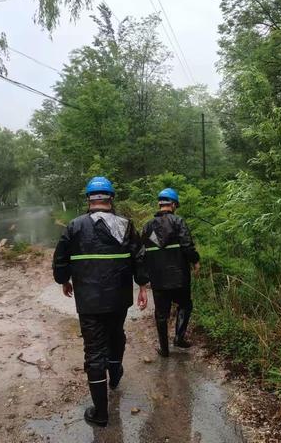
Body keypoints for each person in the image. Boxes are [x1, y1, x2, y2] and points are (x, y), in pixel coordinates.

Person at [52, 176, 148, 427]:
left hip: (89, 301)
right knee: (116, 334)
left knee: (94, 351)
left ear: (89, 199)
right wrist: (143, 287)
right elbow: (140, 258)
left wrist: (64, 280)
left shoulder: (74, 226)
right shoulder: (126, 225)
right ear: (110, 198)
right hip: (119, 299)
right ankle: (115, 374)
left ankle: (101, 413)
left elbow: (60, 259)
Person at [141, 188, 200, 357]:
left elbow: (142, 253)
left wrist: (144, 278)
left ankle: (164, 350)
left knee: (161, 314)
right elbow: (187, 245)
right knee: (185, 305)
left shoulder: (147, 226)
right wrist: (195, 261)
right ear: (173, 204)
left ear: (160, 204)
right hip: (180, 277)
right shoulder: (178, 221)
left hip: (158, 279)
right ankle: (179, 338)